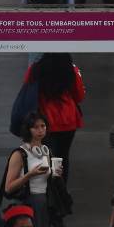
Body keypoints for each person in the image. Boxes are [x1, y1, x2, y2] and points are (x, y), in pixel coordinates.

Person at [23, 53, 85, 184]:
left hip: (43, 121)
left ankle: (43, 188)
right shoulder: (71, 70)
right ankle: (59, 188)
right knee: (62, 157)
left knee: (42, 156)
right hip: (67, 121)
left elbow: (27, 93)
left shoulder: (34, 69)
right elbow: (79, 96)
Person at [2, 112, 54, 227]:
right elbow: (8, 187)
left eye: (43, 126)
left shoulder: (46, 151)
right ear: (28, 130)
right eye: (36, 127)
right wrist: (29, 175)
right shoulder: (20, 154)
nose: (41, 130)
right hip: (28, 201)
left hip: (44, 201)